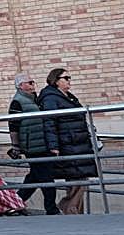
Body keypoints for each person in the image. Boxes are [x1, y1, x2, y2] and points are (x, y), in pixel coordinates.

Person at [39, 67, 96, 215]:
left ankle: (75, 211)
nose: (69, 81)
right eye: (66, 78)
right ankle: (68, 207)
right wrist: (54, 146)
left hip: (78, 142)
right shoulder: (51, 98)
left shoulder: (68, 96)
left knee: (79, 179)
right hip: (68, 144)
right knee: (77, 179)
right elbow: (49, 122)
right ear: (56, 81)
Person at [9, 72, 58, 215]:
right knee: (46, 177)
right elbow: (13, 126)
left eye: (33, 82)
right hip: (32, 146)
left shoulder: (35, 99)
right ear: (20, 86)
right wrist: (15, 146)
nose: (33, 85)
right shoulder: (18, 102)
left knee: (35, 177)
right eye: (30, 83)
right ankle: (51, 208)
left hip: (41, 143)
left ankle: (14, 205)